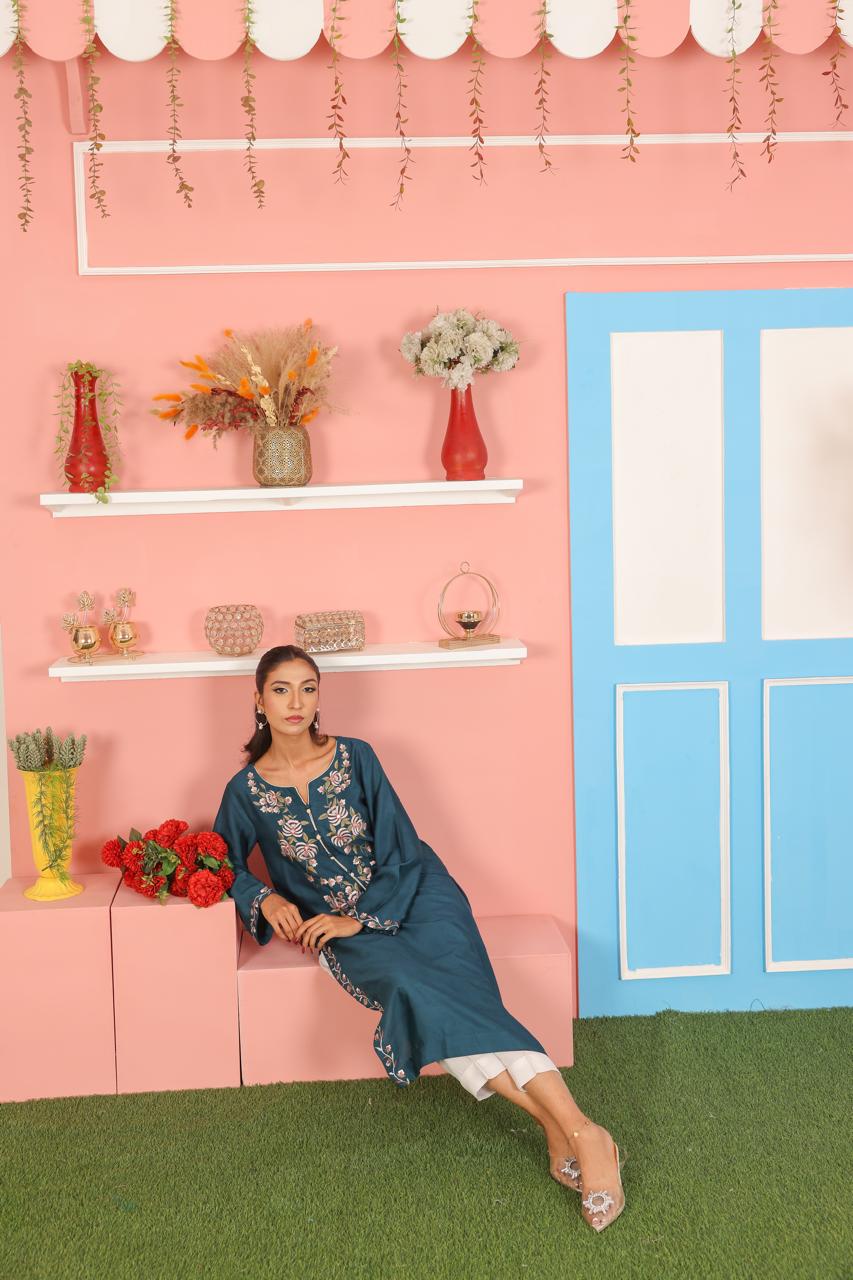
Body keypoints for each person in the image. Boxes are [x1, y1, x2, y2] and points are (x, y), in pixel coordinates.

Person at [213, 645, 625, 1233]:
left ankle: (581, 1132)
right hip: (333, 922)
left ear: (320, 695)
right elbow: (222, 862)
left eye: (307, 688)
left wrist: (365, 915)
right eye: (281, 690)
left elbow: (401, 842)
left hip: (417, 891)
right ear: (258, 700)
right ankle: (567, 1128)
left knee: (462, 996)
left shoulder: (356, 757)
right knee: (415, 991)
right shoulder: (245, 791)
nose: (295, 702)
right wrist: (266, 897)